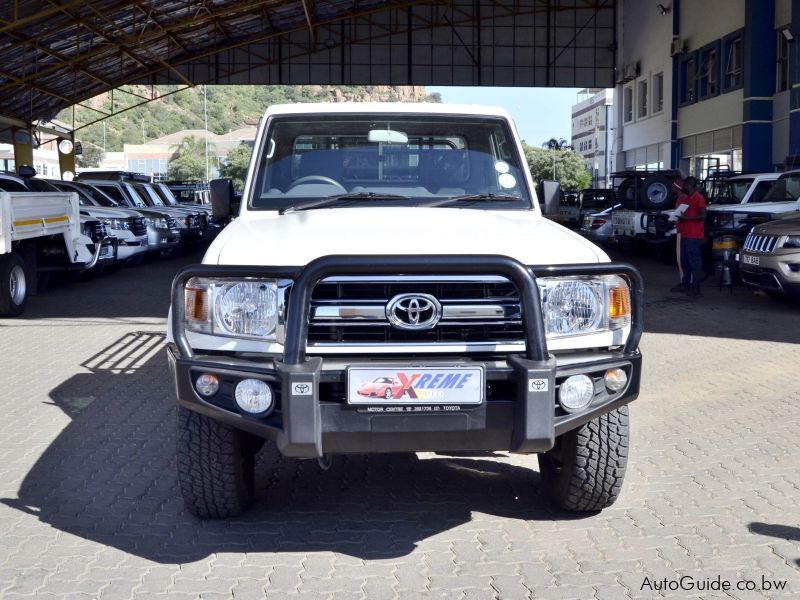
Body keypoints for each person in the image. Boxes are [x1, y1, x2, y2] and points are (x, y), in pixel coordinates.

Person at [670, 176, 706, 296]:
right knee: (684, 261)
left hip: (694, 235)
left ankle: (696, 287)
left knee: (694, 262)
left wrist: (686, 218)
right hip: (685, 233)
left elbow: (703, 215)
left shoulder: (699, 198)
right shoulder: (687, 199)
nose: (684, 187)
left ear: (690, 186)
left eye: (686, 185)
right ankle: (686, 284)